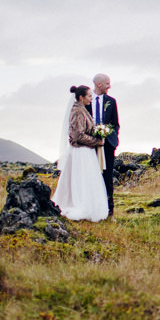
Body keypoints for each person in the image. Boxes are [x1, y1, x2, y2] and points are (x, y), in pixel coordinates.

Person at [52, 85, 109, 222]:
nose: (91, 98)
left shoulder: (81, 109)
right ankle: (80, 205)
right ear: (80, 97)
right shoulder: (77, 112)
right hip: (80, 152)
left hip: (84, 151)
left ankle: (85, 203)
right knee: (81, 178)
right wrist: (97, 141)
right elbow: (78, 136)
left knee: (84, 178)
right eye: (89, 96)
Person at [89, 73, 119, 217]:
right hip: (89, 145)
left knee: (107, 177)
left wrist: (109, 136)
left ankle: (109, 210)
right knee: (90, 176)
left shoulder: (111, 101)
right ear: (99, 84)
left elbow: (115, 124)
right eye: (107, 83)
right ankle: (92, 208)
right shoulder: (87, 101)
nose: (109, 86)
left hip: (107, 145)